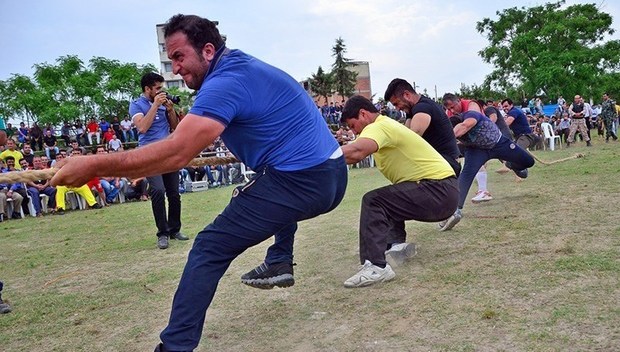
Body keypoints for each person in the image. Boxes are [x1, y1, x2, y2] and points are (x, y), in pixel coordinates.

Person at [50, 14, 347, 352]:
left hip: (301, 180)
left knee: (208, 247)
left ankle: (174, 347)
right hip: (330, 174)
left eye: (179, 57)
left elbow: (177, 152)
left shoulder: (225, 82)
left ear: (208, 50)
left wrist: (93, 165)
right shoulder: (241, 68)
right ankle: (280, 257)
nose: (174, 69)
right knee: (258, 188)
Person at [340, 96, 458, 287]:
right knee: (391, 196)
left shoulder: (377, 126)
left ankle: (377, 266)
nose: (354, 132)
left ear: (363, 113)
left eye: (353, 126)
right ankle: (396, 246)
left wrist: (317, 157)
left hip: (438, 189)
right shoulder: (387, 125)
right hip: (445, 191)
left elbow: (356, 152)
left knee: (374, 201)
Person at [439, 110, 535, 231]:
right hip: (476, 151)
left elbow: (465, 125)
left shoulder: (470, 115)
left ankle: (513, 165)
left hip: (499, 144)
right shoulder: (456, 131)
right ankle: (453, 210)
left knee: (529, 161)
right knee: (466, 175)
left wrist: (448, 137)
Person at [129, 72, 188, 250]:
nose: (162, 91)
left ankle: (174, 229)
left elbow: (174, 128)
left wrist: (170, 110)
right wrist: (155, 105)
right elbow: (142, 127)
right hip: (149, 154)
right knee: (158, 191)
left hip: (168, 152)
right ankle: (162, 233)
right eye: (158, 88)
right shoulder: (136, 105)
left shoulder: (164, 104)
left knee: (174, 193)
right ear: (148, 89)